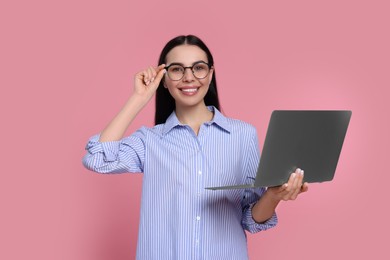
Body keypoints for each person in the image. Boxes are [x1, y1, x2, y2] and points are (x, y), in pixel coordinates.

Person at [82, 35, 308, 260]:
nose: (189, 78)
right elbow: (98, 159)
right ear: (164, 78)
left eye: (198, 68)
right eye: (177, 69)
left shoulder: (243, 135)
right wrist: (139, 98)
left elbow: (251, 219)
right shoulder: (149, 141)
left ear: (210, 73)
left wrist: (273, 195)